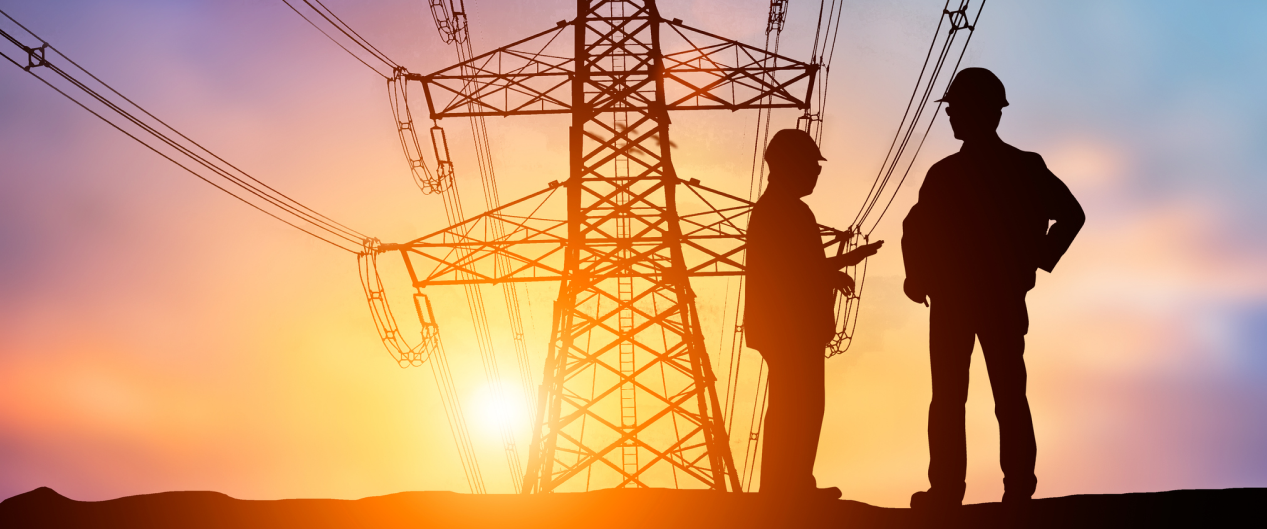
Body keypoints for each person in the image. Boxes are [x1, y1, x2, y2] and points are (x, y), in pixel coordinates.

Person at [901, 68, 1085, 509]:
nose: (950, 115)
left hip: (965, 300)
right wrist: (1036, 258)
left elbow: (915, 229)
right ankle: (1012, 489)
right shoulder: (1015, 168)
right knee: (1000, 395)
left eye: (955, 108)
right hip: (986, 298)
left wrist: (918, 277)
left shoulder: (956, 173)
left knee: (960, 397)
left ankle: (951, 490)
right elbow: (916, 229)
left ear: (983, 112)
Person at [745, 128, 883, 500]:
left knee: (795, 405)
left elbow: (799, 267)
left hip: (788, 328)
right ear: (788, 165)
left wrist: (835, 268)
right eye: (811, 165)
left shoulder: (781, 209)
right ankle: (786, 487)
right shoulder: (783, 211)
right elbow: (793, 271)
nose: (816, 173)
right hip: (789, 329)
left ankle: (789, 484)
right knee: (799, 406)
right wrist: (842, 264)